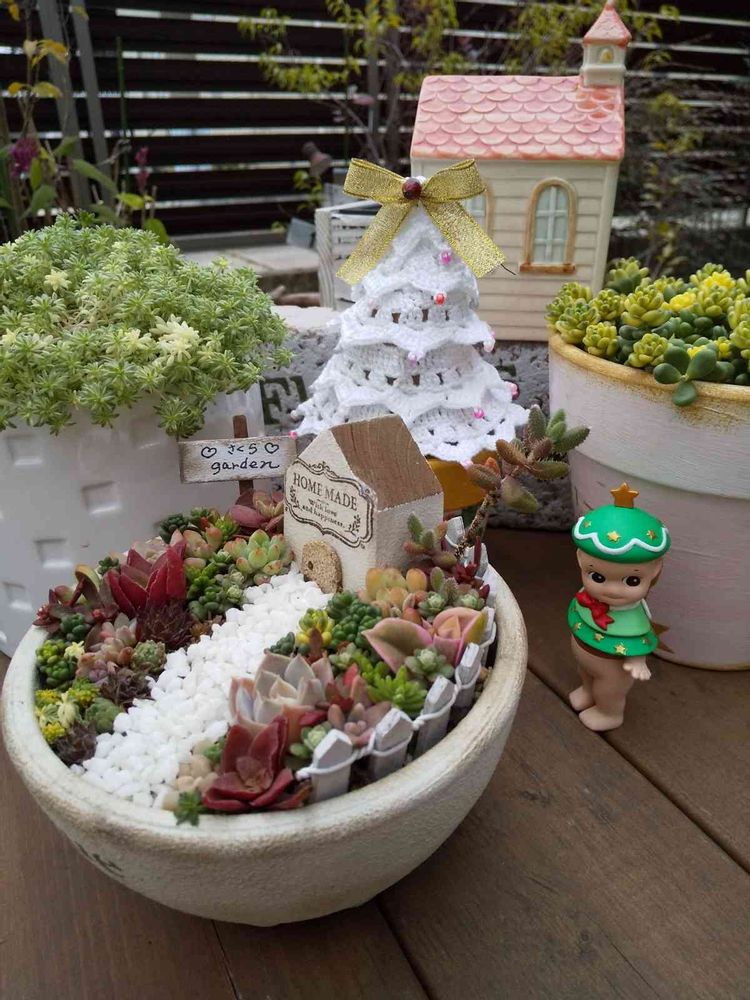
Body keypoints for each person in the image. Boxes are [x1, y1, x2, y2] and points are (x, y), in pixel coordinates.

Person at [568, 482, 670, 732]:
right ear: (581, 560)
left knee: (608, 690)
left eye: (632, 581)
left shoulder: (634, 616)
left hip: (613, 666)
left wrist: (637, 660)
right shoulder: (587, 597)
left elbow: (641, 636)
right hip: (586, 653)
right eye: (597, 576)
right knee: (586, 674)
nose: (612, 590)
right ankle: (587, 691)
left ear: (654, 570)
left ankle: (609, 713)